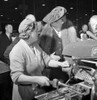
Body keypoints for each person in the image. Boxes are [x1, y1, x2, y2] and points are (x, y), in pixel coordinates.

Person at [9, 14, 70, 100]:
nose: (39, 33)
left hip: (37, 89)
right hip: (25, 91)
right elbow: (16, 77)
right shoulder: (17, 50)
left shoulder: (35, 45)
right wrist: (37, 79)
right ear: (28, 33)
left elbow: (47, 60)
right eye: (36, 31)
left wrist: (60, 64)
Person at [39, 6, 78, 82]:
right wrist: (49, 57)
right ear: (53, 23)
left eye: (63, 19)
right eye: (61, 20)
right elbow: (39, 54)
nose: (63, 21)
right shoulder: (44, 35)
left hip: (68, 70)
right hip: (52, 72)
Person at [0, 24, 13, 100]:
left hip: (9, 62)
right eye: (10, 27)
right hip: (3, 63)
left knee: (8, 82)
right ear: (5, 28)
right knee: (4, 83)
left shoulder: (11, 38)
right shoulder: (1, 37)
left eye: (12, 27)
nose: (11, 29)